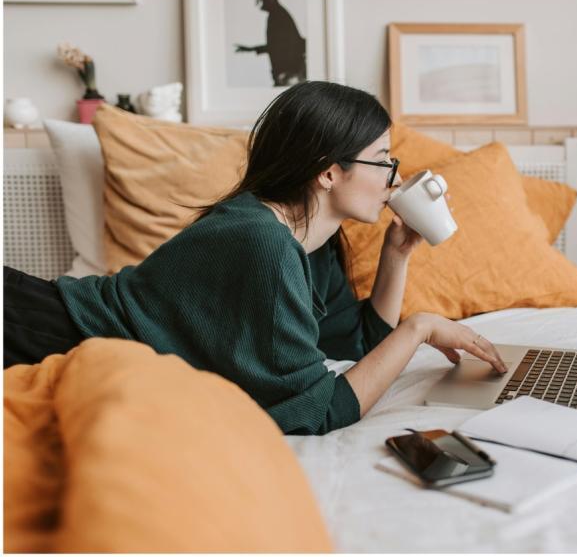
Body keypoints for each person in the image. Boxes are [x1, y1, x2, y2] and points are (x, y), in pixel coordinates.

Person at [3, 81, 506, 435]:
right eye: (383, 160)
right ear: (328, 173)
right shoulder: (262, 244)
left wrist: (397, 257)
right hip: (45, 332)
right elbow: (320, 412)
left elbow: (356, 345)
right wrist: (418, 328)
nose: (394, 178)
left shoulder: (312, 241)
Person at [235, 0, 306, 86]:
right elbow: (277, 46)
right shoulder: (277, 15)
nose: (257, 3)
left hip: (289, 76)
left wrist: (288, 74)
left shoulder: (278, 16)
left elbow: (291, 45)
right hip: (287, 75)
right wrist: (251, 49)